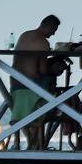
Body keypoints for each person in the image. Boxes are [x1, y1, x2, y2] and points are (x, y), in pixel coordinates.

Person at [11, 14, 62, 148]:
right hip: (32, 85)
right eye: (54, 30)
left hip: (15, 83)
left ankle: (27, 143)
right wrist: (56, 69)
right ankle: (38, 141)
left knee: (28, 113)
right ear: (50, 26)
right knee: (56, 91)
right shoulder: (43, 43)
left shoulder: (24, 35)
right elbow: (43, 70)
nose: (53, 33)